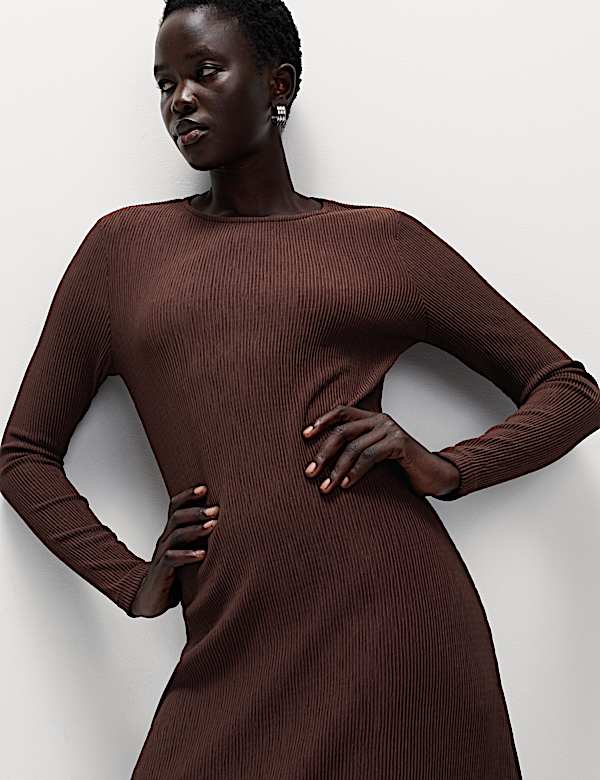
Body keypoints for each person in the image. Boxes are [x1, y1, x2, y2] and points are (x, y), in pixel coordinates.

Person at [1, 1, 599, 777]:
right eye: (165, 84)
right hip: (232, 636)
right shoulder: (124, 250)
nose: (181, 100)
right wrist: (130, 581)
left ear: (277, 84)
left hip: (398, 628)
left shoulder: (380, 243)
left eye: (205, 72)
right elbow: (24, 454)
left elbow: (570, 391)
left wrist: (447, 467)